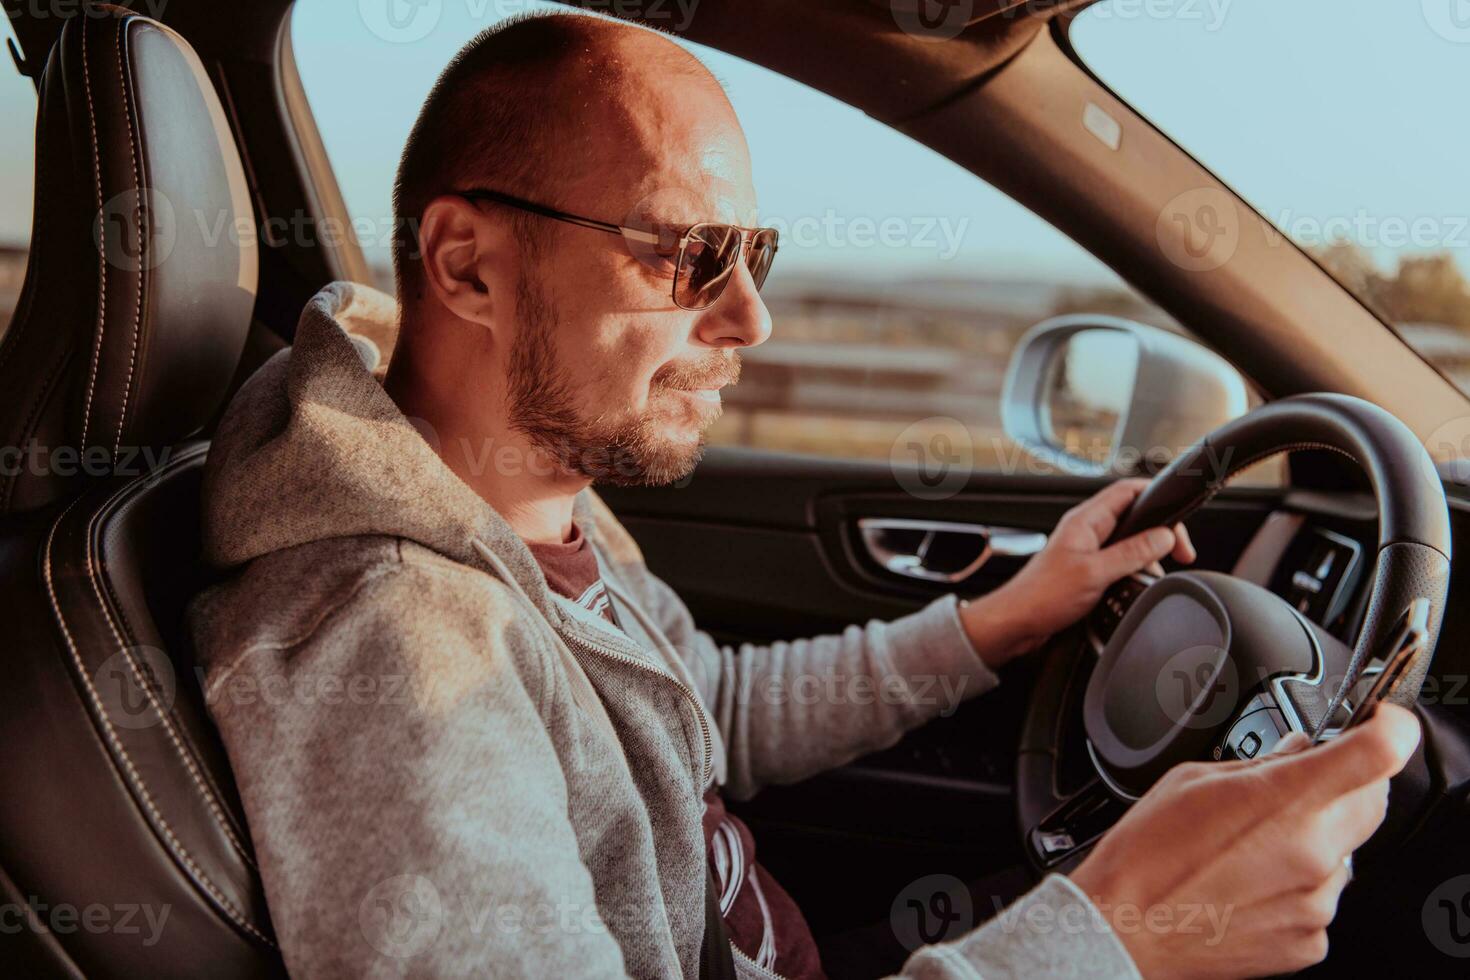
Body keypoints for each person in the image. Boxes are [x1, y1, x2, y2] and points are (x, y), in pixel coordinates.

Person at [188, 11, 1420, 978]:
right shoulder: (392, 658)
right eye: (691, 255)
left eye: (756, 253)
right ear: (468, 265)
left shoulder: (531, 491)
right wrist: (1114, 936)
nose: (751, 316)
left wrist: (1008, 615)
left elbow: (705, 705)